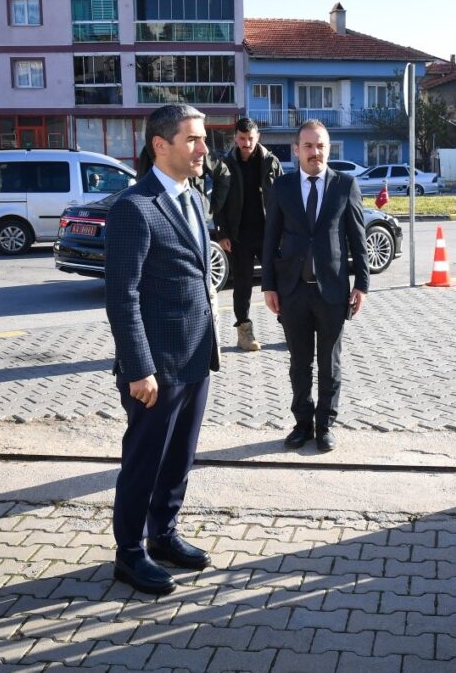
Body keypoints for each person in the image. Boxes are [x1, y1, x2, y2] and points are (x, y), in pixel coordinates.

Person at [105, 104, 221, 595]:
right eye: (192, 140)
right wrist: (139, 369)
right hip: (154, 369)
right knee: (144, 462)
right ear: (161, 145)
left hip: (195, 357)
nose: (203, 149)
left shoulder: (193, 199)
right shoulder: (134, 207)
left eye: (203, 139)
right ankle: (129, 554)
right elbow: (122, 297)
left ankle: (164, 536)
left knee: (179, 460)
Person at [262, 119, 369, 453]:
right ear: (296, 150)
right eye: (308, 146)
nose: (315, 152)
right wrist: (268, 285)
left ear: (328, 148)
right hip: (292, 291)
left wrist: (361, 284)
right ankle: (301, 424)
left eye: (321, 145)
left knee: (330, 363)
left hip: (333, 291)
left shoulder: (344, 185)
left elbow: (358, 237)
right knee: (299, 363)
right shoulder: (282, 187)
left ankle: (325, 425)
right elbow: (270, 239)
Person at [216, 118, 283, 351]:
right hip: (238, 236)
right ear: (235, 138)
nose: (247, 143)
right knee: (242, 287)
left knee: (279, 281)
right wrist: (222, 232)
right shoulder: (225, 164)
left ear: (258, 137)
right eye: (242, 139)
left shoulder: (271, 162)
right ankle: (244, 333)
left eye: (250, 138)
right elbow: (218, 202)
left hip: (268, 234)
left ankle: (290, 328)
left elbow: (283, 197)